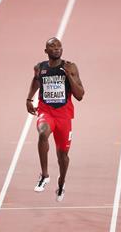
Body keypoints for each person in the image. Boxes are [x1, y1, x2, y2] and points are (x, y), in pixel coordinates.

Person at [26, 37, 84, 201]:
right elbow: (36, 81)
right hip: (47, 112)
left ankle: (61, 182)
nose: (57, 49)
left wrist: (69, 76)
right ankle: (44, 175)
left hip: (64, 116)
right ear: (46, 51)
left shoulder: (70, 67)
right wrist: (29, 99)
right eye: (52, 47)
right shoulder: (40, 68)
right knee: (43, 133)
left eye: (59, 47)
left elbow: (80, 95)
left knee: (63, 156)